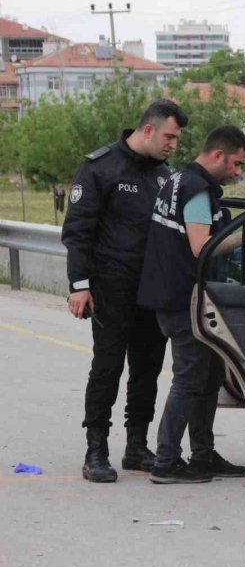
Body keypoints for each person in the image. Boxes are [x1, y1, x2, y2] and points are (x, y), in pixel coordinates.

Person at [137, 126, 245, 484]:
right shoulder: (196, 188)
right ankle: (166, 461)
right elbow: (201, 246)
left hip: (176, 294)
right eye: (236, 163)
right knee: (189, 379)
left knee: (209, 376)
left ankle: (202, 454)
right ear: (218, 155)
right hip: (183, 300)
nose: (238, 172)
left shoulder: (177, 179)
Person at [61, 99, 189, 483]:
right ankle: (96, 449)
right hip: (110, 287)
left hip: (152, 290)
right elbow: (78, 231)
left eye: (177, 139)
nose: (173, 145)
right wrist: (79, 285)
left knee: (148, 368)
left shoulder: (166, 177)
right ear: (148, 130)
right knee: (108, 366)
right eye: (169, 137)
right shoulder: (100, 167)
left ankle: (137, 445)